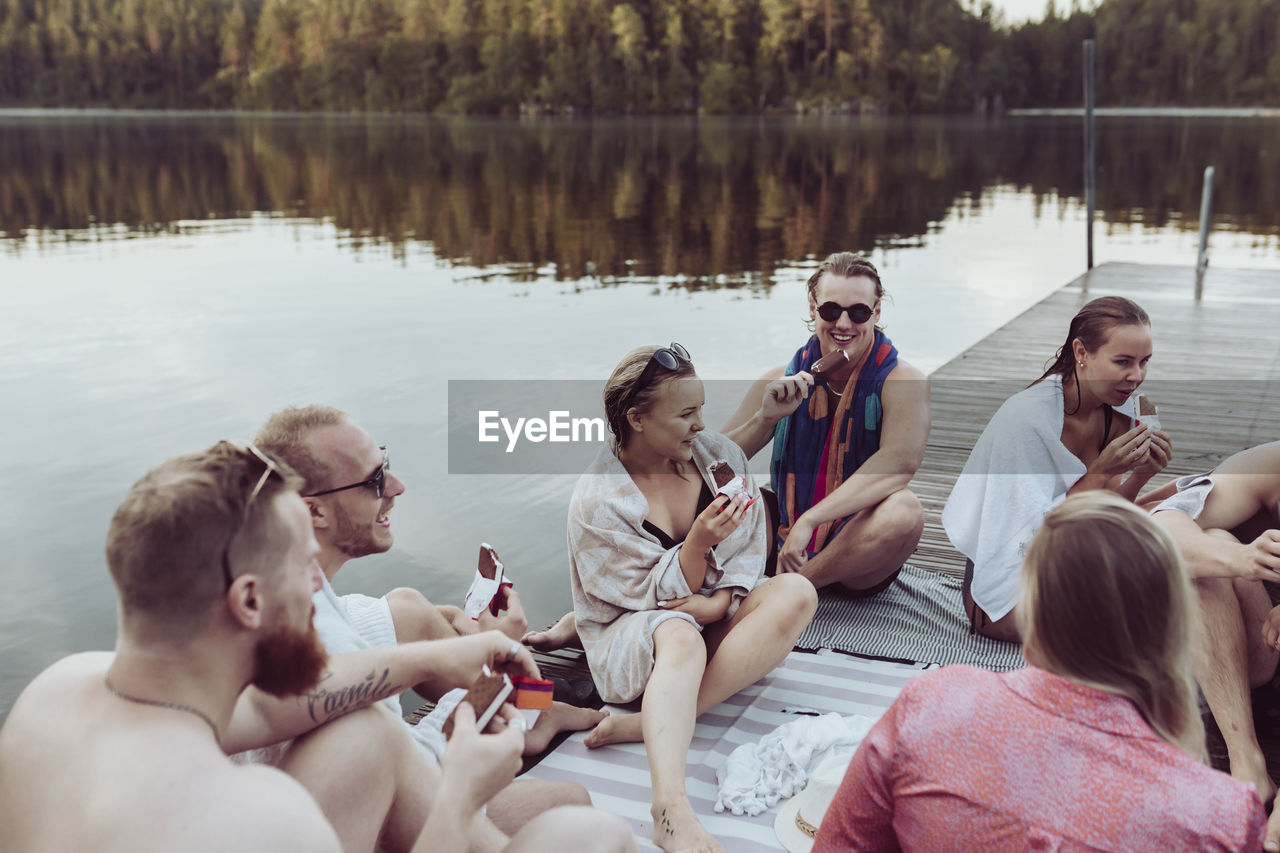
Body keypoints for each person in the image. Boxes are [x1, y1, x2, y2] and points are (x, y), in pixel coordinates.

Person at [0, 441, 635, 853]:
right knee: (590, 832)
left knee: (365, 735)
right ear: (249, 602)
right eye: (307, 570)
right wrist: (460, 797)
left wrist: (433, 658)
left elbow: (274, 709)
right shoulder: (261, 818)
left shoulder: (59, 691)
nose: (321, 590)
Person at [814, 492, 1265, 852]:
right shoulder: (1220, 814)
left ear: (1031, 613)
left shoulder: (929, 701)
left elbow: (842, 843)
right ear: (1174, 632)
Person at [254, 405, 606, 832]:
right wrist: (496, 669)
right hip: (365, 824)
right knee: (572, 804)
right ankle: (526, 709)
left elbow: (374, 622)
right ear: (315, 512)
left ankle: (533, 705)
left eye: (386, 464)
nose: (397, 487)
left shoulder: (277, 585)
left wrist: (446, 634)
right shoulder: (328, 658)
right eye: (374, 481)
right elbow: (423, 764)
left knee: (411, 608)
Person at [569, 343, 818, 853]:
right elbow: (640, 599)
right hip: (632, 640)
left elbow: (751, 546)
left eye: (701, 409)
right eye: (686, 414)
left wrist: (722, 600)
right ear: (637, 418)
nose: (701, 425)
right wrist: (700, 545)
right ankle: (670, 808)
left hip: (706, 617)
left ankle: (651, 722)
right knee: (678, 633)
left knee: (796, 591)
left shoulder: (719, 459)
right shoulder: (598, 499)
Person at [942, 295, 1172, 641]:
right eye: (1123, 361)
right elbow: (1026, 537)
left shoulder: (1118, 417)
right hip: (1006, 595)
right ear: (1082, 353)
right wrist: (1098, 472)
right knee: (1152, 598)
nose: (1136, 376)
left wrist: (1143, 474)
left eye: (1144, 362)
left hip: (1075, 561)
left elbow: (1104, 518)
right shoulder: (1026, 421)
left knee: (1183, 511)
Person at [722, 251, 929, 592]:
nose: (844, 324)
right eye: (831, 310)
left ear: (876, 313)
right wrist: (765, 419)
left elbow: (899, 465)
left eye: (859, 312)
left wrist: (811, 520)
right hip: (782, 536)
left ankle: (790, 589)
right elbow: (709, 464)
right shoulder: (780, 378)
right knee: (717, 499)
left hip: (857, 552)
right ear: (812, 308)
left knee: (905, 512)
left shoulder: (904, 381)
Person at [1141, 440, 1280, 843]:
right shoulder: (1271, 465)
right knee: (1210, 545)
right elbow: (1160, 524)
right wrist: (1242, 559)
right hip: (1253, 662)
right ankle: (1247, 764)